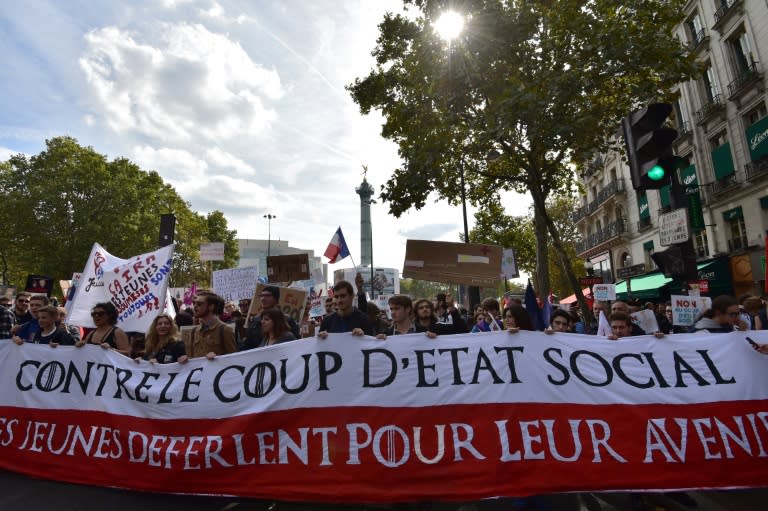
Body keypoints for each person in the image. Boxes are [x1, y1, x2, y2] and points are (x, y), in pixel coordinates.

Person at [242, 286, 299, 350]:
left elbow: (296, 347)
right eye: (261, 296)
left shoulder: (287, 320)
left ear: (275, 298)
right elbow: (248, 345)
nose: (263, 298)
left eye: (267, 295)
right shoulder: (255, 321)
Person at [188, 292, 237, 359]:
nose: (195, 306)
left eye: (199, 304)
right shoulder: (194, 331)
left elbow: (233, 358)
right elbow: (190, 357)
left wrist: (217, 358)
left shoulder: (225, 330)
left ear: (211, 307)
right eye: (194, 303)